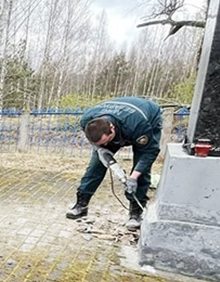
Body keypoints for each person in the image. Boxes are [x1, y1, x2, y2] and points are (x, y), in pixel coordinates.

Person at [66, 96, 162, 230]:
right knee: (96, 165)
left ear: (112, 128)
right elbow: (100, 144)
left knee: (141, 169)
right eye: (102, 143)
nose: (106, 145)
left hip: (146, 119)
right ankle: (81, 204)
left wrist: (133, 177)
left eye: (108, 140)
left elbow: (149, 152)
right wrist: (100, 150)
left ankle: (135, 212)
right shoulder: (87, 120)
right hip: (119, 121)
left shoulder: (138, 124)